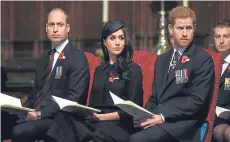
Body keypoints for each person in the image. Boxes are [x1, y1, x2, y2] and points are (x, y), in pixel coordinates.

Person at [46, 20, 143, 142]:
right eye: (112, 38)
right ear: (104, 42)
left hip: (121, 125)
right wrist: (84, 112)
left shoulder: (133, 69)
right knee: (63, 118)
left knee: (97, 134)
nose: (117, 42)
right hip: (96, 122)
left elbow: (133, 110)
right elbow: (92, 104)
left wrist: (101, 118)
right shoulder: (99, 70)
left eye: (121, 38)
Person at [1, 8, 90, 142]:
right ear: (46, 28)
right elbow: (35, 93)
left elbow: (73, 100)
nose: (55, 29)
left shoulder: (77, 57)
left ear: (68, 28)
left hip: (59, 119)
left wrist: (39, 114)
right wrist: (21, 110)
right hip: (35, 114)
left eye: (59, 25)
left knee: (19, 131)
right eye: (51, 24)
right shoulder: (43, 59)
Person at [129, 6, 215, 142]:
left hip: (183, 125)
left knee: (136, 140)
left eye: (189, 28)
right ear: (170, 28)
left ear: (194, 28)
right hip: (160, 120)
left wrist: (162, 116)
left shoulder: (202, 59)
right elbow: (155, 97)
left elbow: (197, 102)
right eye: (180, 28)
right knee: (121, 132)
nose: (185, 33)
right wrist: (144, 114)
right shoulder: (162, 59)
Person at [212, 19, 230, 142]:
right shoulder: (208, 62)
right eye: (218, 36)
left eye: (226, 36)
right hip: (210, 115)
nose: (221, 41)